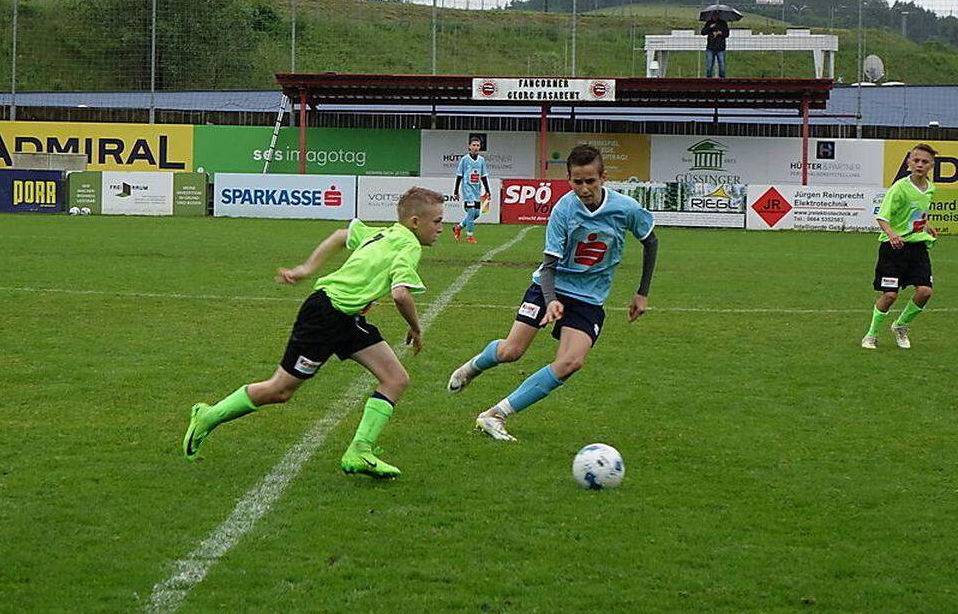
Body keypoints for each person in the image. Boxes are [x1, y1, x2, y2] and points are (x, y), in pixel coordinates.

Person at [182, 187, 445, 479]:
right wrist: (416, 328)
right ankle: (208, 415)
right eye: (437, 221)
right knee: (280, 390)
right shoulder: (409, 246)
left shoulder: (381, 233)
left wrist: (306, 269)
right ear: (415, 222)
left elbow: (339, 235)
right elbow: (400, 295)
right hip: (325, 316)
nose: (442, 228)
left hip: (347, 317)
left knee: (396, 379)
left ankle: (360, 450)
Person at [446, 144, 659, 442]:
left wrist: (642, 293)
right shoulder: (564, 209)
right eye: (577, 181)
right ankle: (473, 366)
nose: (584, 189)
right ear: (569, 179)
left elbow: (651, 242)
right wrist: (551, 301)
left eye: (590, 181)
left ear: (603, 178)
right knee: (511, 352)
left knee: (571, 362)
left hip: (589, 298)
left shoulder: (626, 209)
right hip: (550, 286)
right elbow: (548, 268)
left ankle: (494, 415)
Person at [862, 143, 939, 350]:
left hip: (918, 247)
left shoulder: (930, 188)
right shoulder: (898, 188)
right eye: (916, 160)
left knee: (925, 292)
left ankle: (901, 326)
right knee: (890, 295)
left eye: (924, 162)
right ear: (908, 163)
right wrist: (892, 234)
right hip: (893, 248)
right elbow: (882, 217)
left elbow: (916, 213)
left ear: (931, 165)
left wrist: (926, 226)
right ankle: (871, 335)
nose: (919, 165)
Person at [452, 136, 491, 243]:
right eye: (474, 145)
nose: (476, 147)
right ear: (469, 147)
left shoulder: (481, 160)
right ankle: (470, 236)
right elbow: (459, 176)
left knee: (477, 214)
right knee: (471, 212)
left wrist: (488, 190)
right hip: (467, 190)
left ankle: (458, 227)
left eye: (478, 145)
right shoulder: (464, 160)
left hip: (476, 190)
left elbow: (483, 176)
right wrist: (456, 191)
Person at [701, 10, 729, 78]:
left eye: (716, 15)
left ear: (718, 15)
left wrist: (720, 33)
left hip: (720, 48)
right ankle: (709, 81)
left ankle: (722, 80)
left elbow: (727, 34)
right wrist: (710, 27)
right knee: (709, 67)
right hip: (710, 48)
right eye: (713, 15)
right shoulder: (709, 23)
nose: (714, 16)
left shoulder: (723, 23)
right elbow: (703, 32)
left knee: (722, 67)